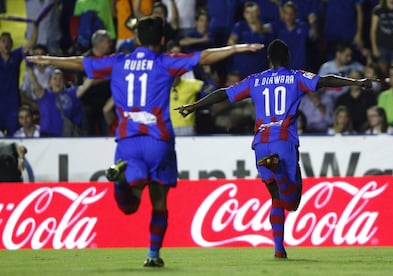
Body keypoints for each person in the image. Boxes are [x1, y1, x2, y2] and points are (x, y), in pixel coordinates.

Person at [27, 15, 263, 267]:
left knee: (129, 206)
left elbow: (82, 63)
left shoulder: (118, 61)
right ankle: (152, 254)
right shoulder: (165, 61)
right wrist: (237, 48)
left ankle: (122, 181)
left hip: (127, 141)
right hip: (158, 141)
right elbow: (204, 56)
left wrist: (49, 59)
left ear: (137, 38)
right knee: (159, 201)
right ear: (162, 40)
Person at [175, 39, 373, 259]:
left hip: (261, 143)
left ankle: (279, 249)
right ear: (287, 58)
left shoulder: (255, 80)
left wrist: (193, 106)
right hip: (283, 140)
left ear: (268, 59)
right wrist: (357, 82)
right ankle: (278, 170)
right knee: (293, 201)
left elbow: (224, 93)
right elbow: (325, 80)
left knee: (276, 199)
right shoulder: (296, 76)